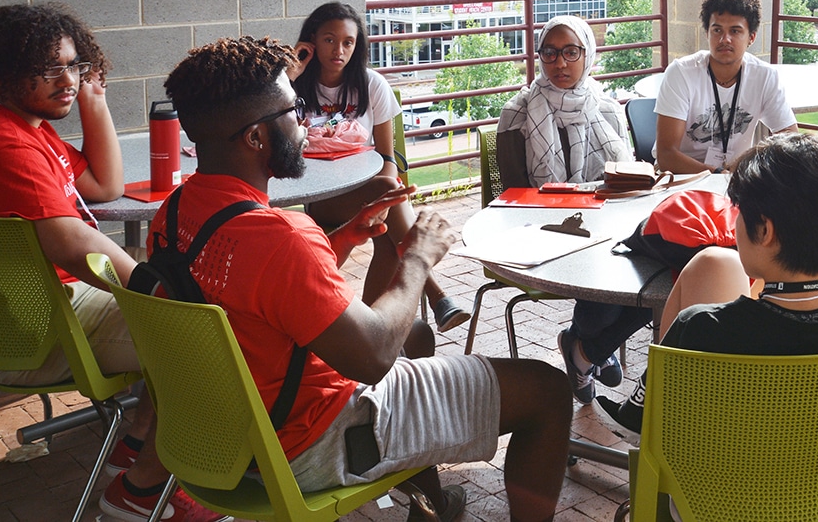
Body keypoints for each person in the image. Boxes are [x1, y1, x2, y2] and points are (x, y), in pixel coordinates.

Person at [159, 36, 572, 522]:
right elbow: (373, 357)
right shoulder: (279, 236)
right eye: (294, 112)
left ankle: (431, 507)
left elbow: (255, 289)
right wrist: (417, 258)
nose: (306, 125)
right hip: (313, 442)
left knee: (415, 335)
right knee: (547, 389)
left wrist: (344, 238)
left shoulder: (175, 213)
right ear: (255, 138)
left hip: (229, 437)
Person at [0, 3, 226, 522]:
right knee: (203, 332)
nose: (67, 79)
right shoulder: (1, 142)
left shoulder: (20, 127)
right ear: (0, 74)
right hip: (35, 331)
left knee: (182, 275)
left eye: (75, 65)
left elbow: (103, 186)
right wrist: (160, 292)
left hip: (29, 310)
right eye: (51, 70)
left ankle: (136, 447)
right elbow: (72, 243)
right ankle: (139, 492)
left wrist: (93, 102)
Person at [596, 133, 818, 438]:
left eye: (739, 213)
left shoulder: (701, 329)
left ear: (764, 231)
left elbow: (662, 431)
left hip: (719, 495)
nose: (734, 225)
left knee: (714, 262)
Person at [288, 2, 468, 345]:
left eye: (348, 42)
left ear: (357, 46)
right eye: (328, 40)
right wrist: (292, 73)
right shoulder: (293, 88)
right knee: (387, 192)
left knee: (387, 232)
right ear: (311, 40)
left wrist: (386, 199)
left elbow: (387, 156)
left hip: (365, 193)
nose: (338, 50)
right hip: (319, 197)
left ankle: (372, 328)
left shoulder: (372, 85)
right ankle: (435, 292)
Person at [495, 16, 646, 403]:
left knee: (649, 275)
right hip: (540, 229)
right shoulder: (518, 113)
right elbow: (514, 193)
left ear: (587, 55)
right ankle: (591, 348)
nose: (559, 63)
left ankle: (583, 349)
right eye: (549, 53)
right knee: (612, 279)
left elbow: (624, 179)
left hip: (603, 224)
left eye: (570, 52)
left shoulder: (608, 109)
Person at [653, 0, 797, 174]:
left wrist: (752, 162)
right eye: (717, 30)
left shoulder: (764, 76)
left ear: (751, 37)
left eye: (735, 31)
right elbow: (666, 155)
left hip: (737, 176)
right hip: (683, 177)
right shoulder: (681, 72)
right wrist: (717, 174)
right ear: (707, 33)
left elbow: (790, 139)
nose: (725, 39)